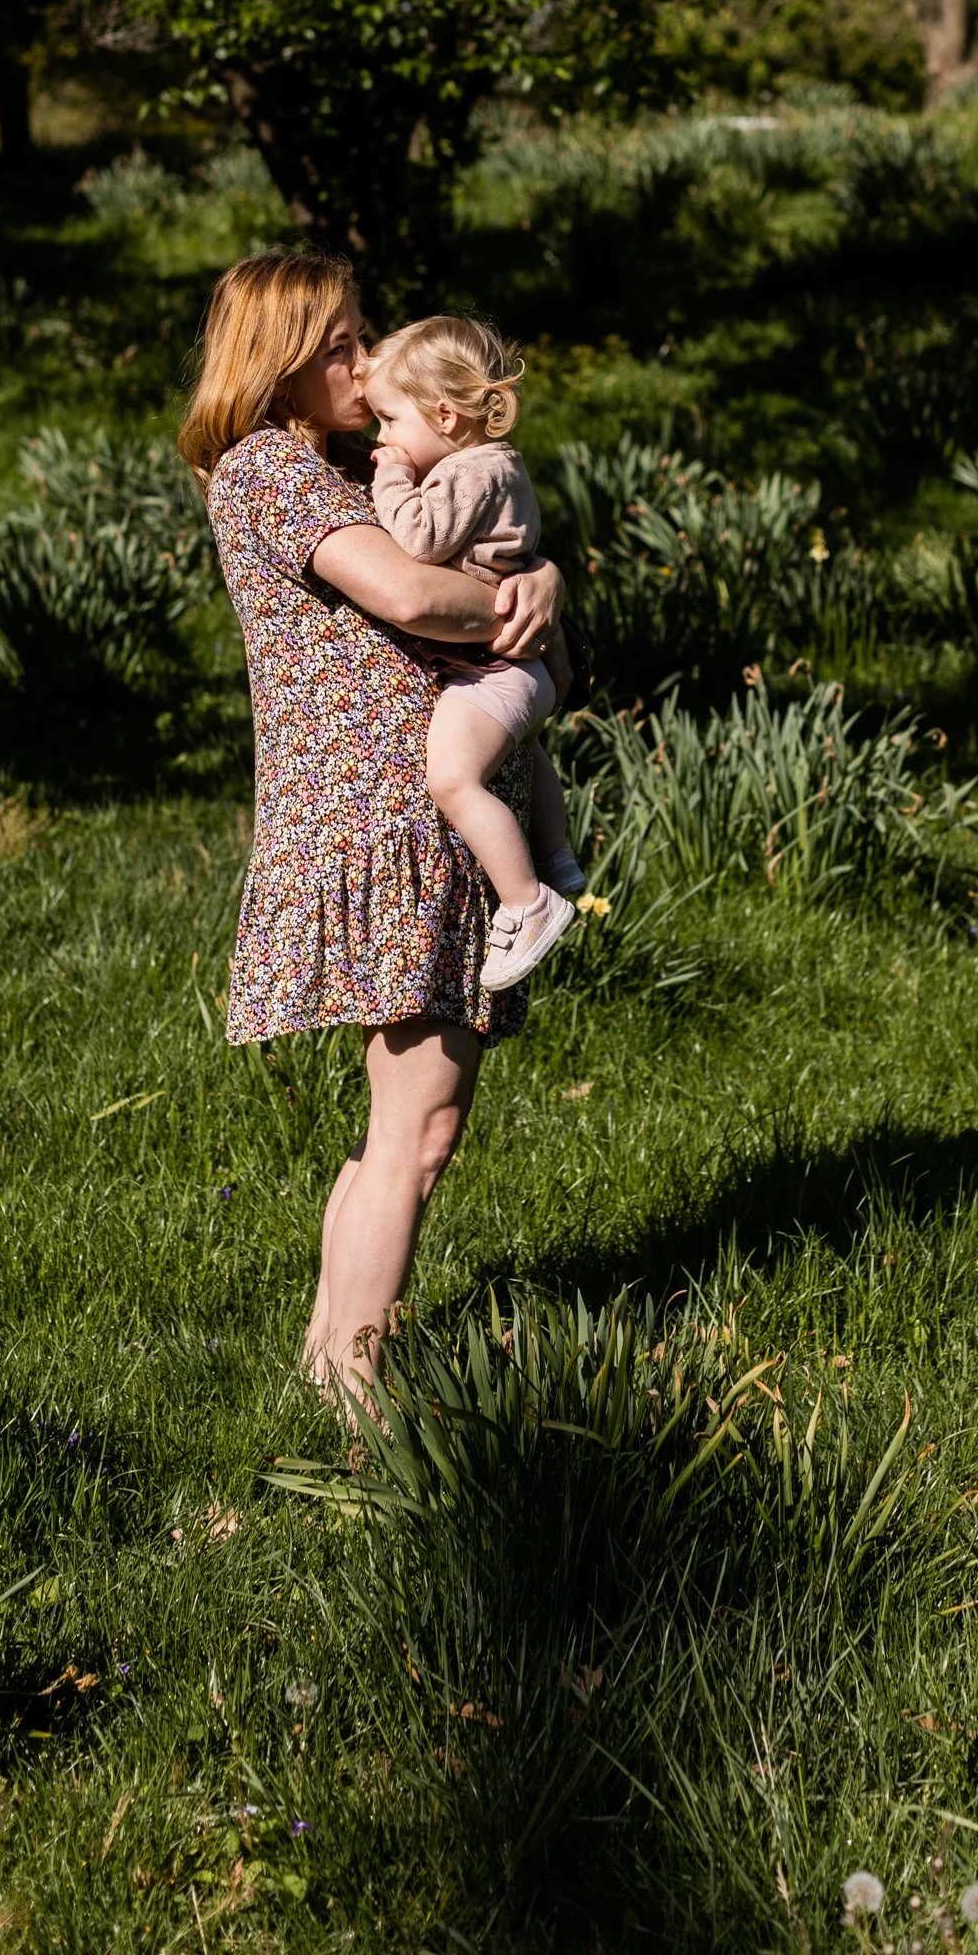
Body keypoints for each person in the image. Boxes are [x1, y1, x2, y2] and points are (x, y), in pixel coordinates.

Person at [180, 251, 564, 1401]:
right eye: (338, 345)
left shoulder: (354, 465)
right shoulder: (265, 472)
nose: (363, 360)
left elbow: (476, 538)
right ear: (281, 364)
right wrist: (525, 601)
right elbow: (403, 594)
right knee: (418, 1126)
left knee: (410, 1125)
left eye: (360, 336)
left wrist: (538, 568)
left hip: (425, 811)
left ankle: (325, 1369)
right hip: (374, 817)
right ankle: (354, 1394)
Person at [364, 314, 582, 994]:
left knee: (454, 781)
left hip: (494, 671)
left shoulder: (468, 472)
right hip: (523, 671)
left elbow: (422, 542)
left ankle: (527, 902)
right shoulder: (497, 465)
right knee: (526, 752)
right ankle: (558, 857)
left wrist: (394, 480)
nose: (383, 439)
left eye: (391, 422)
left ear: (446, 416)